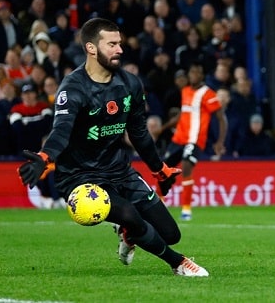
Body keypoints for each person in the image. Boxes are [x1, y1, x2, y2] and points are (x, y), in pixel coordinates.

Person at [17, 17, 209, 277]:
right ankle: (178, 263)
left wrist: (159, 169)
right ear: (91, 48)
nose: (120, 49)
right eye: (112, 44)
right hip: (80, 177)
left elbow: (139, 134)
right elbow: (61, 130)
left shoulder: (130, 84)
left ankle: (128, 234)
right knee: (130, 214)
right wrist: (44, 156)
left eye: (119, 43)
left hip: (118, 169)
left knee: (171, 233)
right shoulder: (72, 88)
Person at [162, 62, 227, 221]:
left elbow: (221, 119)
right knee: (163, 170)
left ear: (201, 75)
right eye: (191, 72)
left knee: (186, 167)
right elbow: (182, 115)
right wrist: (162, 128)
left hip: (195, 139)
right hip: (178, 138)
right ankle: (160, 202)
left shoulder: (208, 94)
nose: (193, 75)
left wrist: (220, 141)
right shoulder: (185, 91)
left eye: (197, 72)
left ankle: (186, 209)